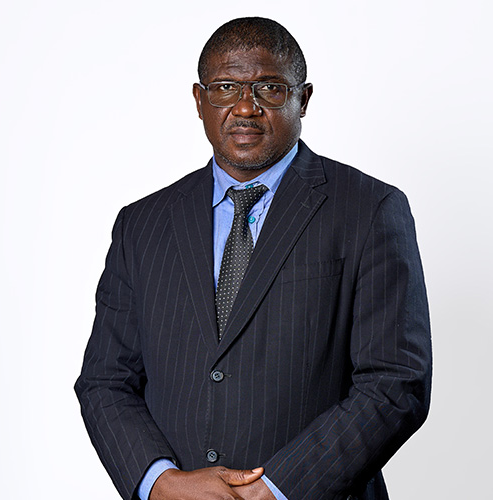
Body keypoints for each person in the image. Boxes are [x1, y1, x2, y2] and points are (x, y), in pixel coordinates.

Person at [75, 17, 432, 500]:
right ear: (199, 100)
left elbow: (396, 382)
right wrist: (160, 481)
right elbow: (105, 380)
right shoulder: (142, 224)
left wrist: (275, 489)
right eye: (226, 87)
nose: (245, 107)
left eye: (269, 88)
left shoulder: (369, 209)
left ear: (303, 99)